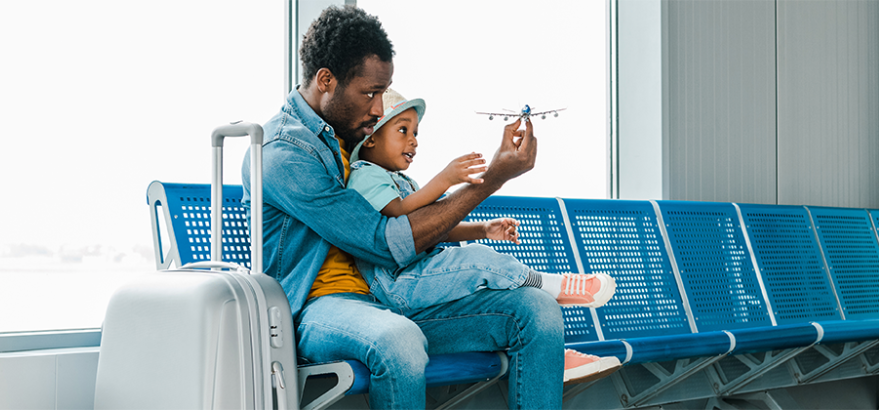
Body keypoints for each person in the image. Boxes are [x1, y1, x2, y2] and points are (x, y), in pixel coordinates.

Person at [243, 5, 560, 409]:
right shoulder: (284, 153)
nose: (378, 110)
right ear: (326, 80)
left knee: (536, 311)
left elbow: (407, 216)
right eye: (370, 93)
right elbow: (382, 241)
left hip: (387, 297)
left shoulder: (353, 140)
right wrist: (491, 179)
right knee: (399, 339)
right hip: (320, 310)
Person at [346, 88, 620, 384]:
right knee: (478, 260)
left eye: (415, 132)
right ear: (370, 137)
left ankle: (553, 353)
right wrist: (445, 179)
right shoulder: (364, 174)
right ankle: (552, 284)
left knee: (501, 291)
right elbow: (399, 214)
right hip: (399, 284)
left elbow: (434, 228)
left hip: (421, 278)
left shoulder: (403, 181)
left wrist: (483, 229)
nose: (414, 140)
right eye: (403, 130)